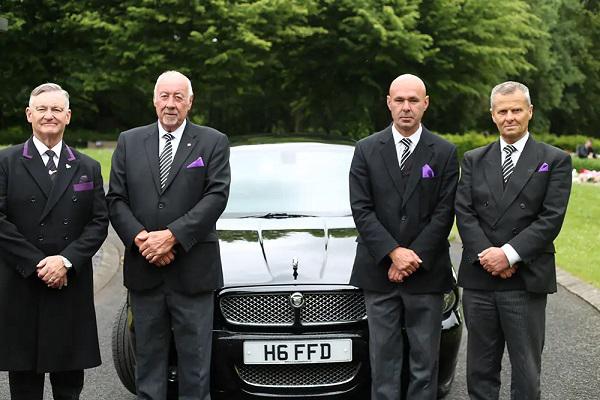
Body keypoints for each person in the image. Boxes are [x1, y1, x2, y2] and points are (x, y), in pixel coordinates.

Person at [107, 70, 230, 400]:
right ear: (154, 100)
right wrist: (142, 240)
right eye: (165, 96)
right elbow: (116, 198)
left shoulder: (213, 142)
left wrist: (172, 236)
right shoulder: (129, 141)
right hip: (145, 270)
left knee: (196, 367)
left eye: (178, 97)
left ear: (190, 102)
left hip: (193, 272)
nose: (171, 104)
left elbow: (216, 196)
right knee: (147, 365)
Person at [455, 81, 572, 400]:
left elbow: (551, 218)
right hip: (480, 279)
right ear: (492, 115)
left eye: (516, 110)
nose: (510, 117)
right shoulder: (474, 159)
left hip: (525, 279)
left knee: (526, 373)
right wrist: (488, 255)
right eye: (502, 111)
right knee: (479, 372)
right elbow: (464, 212)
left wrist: (508, 255)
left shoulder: (554, 160)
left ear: (530, 112)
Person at [349, 74, 459, 400]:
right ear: (389, 103)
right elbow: (361, 209)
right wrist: (393, 253)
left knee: (425, 363)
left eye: (413, 100)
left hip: (426, 273)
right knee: (383, 361)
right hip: (379, 272)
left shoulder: (444, 152)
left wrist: (412, 257)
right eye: (399, 100)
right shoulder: (366, 149)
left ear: (425, 104)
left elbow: (445, 212)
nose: (406, 107)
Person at [0, 83, 109, 399]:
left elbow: (99, 222)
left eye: (57, 109)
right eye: (42, 109)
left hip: (69, 283)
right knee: (24, 384)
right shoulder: (6, 162)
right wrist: (38, 263)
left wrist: (65, 261)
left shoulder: (88, 166)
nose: (49, 115)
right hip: (21, 283)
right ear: (29, 114)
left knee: (69, 384)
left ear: (68, 116)